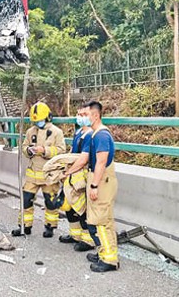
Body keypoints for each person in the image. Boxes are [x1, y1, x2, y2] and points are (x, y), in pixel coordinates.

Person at [63, 101, 119, 272]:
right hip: (98, 179)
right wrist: (68, 172)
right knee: (104, 220)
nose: (82, 118)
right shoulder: (95, 134)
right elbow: (84, 158)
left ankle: (109, 259)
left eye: (85, 114)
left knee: (100, 222)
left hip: (101, 181)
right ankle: (104, 252)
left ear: (95, 115)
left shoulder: (101, 135)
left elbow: (101, 162)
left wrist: (94, 185)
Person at [12, 102, 66, 238]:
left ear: (48, 117)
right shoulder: (31, 132)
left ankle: (50, 227)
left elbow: (61, 151)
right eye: (36, 121)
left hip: (49, 175)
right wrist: (29, 150)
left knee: (50, 202)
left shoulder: (56, 132)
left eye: (40, 120)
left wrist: (44, 151)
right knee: (26, 200)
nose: (38, 123)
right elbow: (24, 147)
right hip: (32, 174)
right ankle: (25, 226)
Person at [57, 103, 96, 252]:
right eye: (79, 114)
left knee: (83, 207)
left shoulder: (91, 134)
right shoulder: (79, 132)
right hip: (73, 173)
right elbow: (73, 152)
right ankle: (75, 234)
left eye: (84, 115)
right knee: (68, 204)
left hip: (83, 175)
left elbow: (83, 159)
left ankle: (88, 240)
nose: (80, 117)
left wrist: (68, 172)